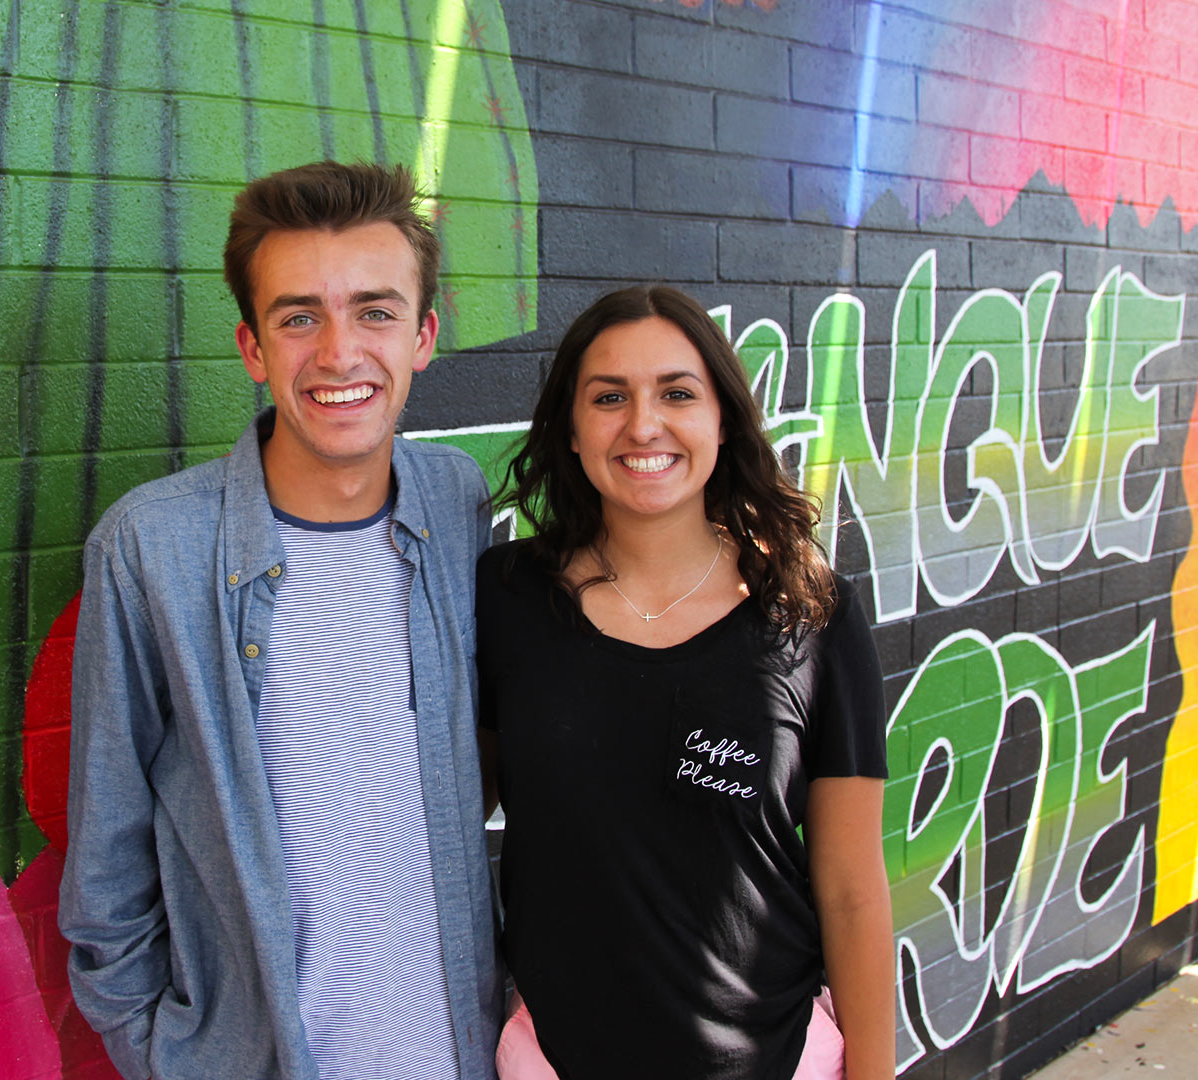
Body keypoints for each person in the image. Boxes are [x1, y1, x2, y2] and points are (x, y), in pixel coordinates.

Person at [59, 160, 503, 1080]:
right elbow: (105, 865)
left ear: (423, 336)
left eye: (375, 312)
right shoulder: (150, 550)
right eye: (300, 316)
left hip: (460, 1051)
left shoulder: (459, 506)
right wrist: (165, 1055)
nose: (339, 352)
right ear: (254, 348)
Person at [478, 285, 894, 1080]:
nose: (643, 425)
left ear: (723, 419)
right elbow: (453, 819)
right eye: (609, 397)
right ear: (570, 428)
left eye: (677, 393)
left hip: (778, 1059)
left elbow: (851, 890)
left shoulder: (809, 613)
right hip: (555, 1061)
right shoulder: (507, 598)